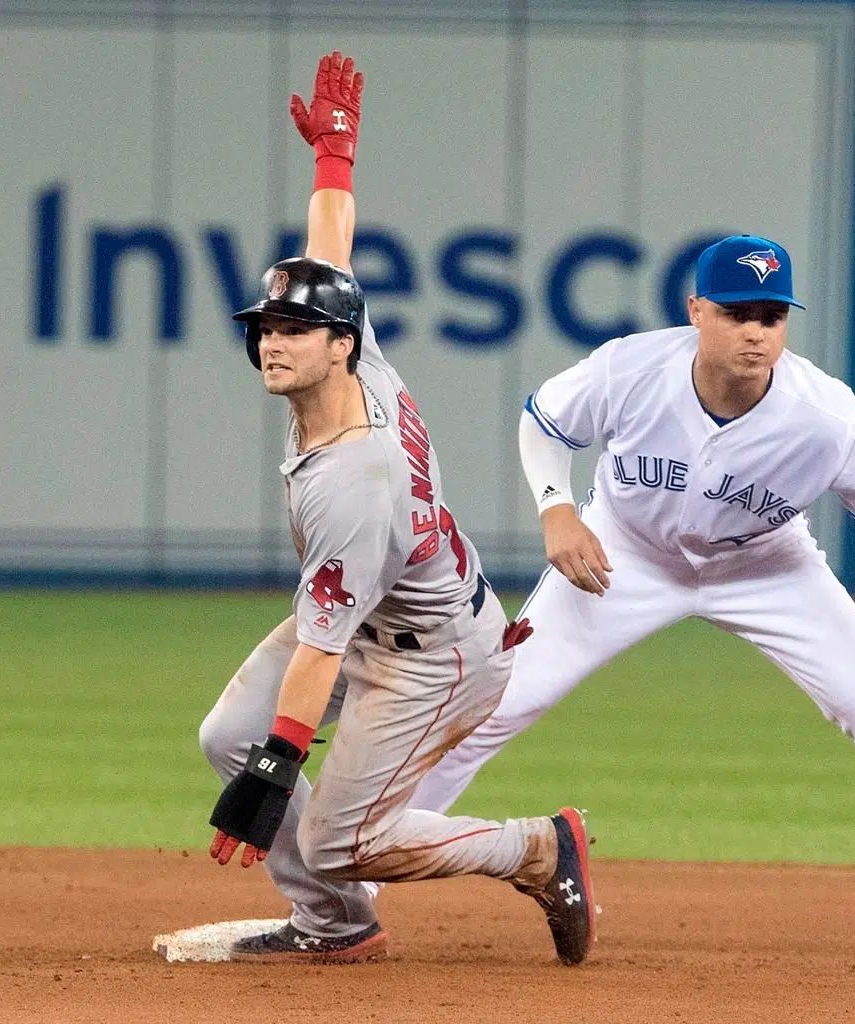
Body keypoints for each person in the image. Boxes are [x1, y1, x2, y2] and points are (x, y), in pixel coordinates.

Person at [410, 233, 855, 971]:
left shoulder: (828, 417)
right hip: (625, 553)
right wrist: (556, 509)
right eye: (737, 312)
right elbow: (543, 421)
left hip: (769, 567)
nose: (756, 331)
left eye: (771, 314)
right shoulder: (632, 369)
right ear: (696, 309)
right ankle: (358, 887)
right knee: (488, 704)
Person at [198, 51, 594, 967]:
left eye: (293, 331)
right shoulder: (357, 355)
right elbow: (329, 251)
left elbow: (322, 647)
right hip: (388, 612)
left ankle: (535, 846)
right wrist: (335, 158)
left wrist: (281, 760)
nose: (273, 343)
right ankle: (337, 926)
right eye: (266, 329)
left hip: (436, 658)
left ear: (336, 345)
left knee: (343, 841)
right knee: (227, 735)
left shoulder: (355, 480)